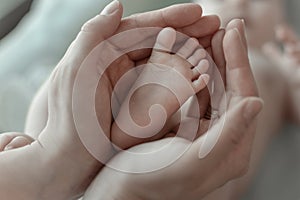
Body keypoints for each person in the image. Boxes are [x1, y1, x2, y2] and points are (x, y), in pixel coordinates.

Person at [0, 1, 262, 199]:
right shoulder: (201, 56)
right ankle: (135, 124)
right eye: (221, 0)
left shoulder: (273, 65)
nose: (239, 3)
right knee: (55, 93)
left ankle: (54, 156)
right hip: (185, 106)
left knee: (184, 148)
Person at [193, 0, 300, 199]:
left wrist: (296, 86)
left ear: (282, 15)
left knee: (257, 70)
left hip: (219, 174)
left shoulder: (277, 69)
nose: (238, 2)